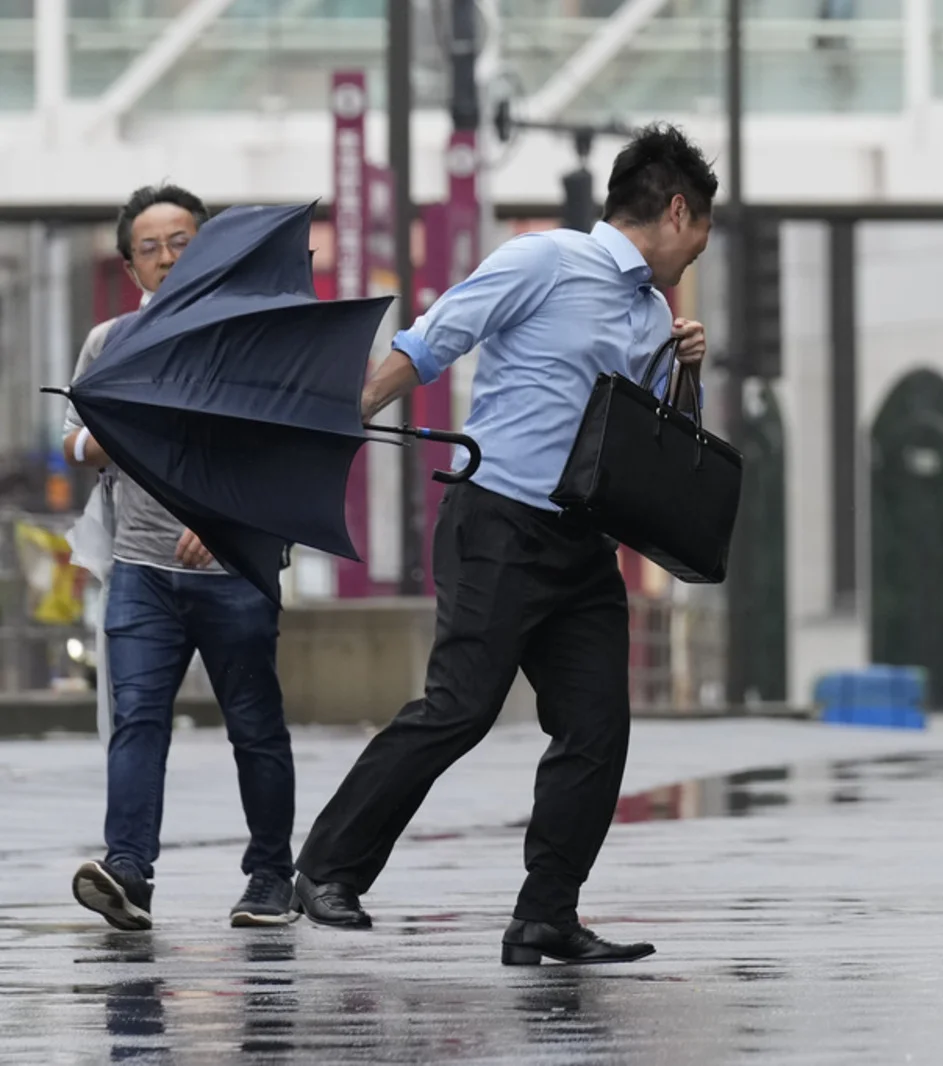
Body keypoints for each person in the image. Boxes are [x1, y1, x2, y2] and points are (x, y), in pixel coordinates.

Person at [292, 124, 716, 967]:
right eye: (703, 228)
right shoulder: (544, 260)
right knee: (460, 707)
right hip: (500, 522)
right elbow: (434, 337)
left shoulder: (653, 313)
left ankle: (544, 918)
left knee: (596, 728)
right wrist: (342, 420)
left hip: (583, 547)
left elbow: (655, 446)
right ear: (676, 211)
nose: (701, 245)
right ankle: (327, 867)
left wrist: (685, 370)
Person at [64, 184, 297, 930]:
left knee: (254, 726)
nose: (166, 257)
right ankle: (129, 869)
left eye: (182, 242)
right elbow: (71, 440)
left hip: (234, 571)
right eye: (150, 248)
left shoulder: (254, 337)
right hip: (139, 570)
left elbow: (286, 450)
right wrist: (102, 434)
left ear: (208, 249)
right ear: (131, 266)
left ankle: (270, 877)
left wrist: (230, 521)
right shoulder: (110, 343)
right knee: (137, 719)